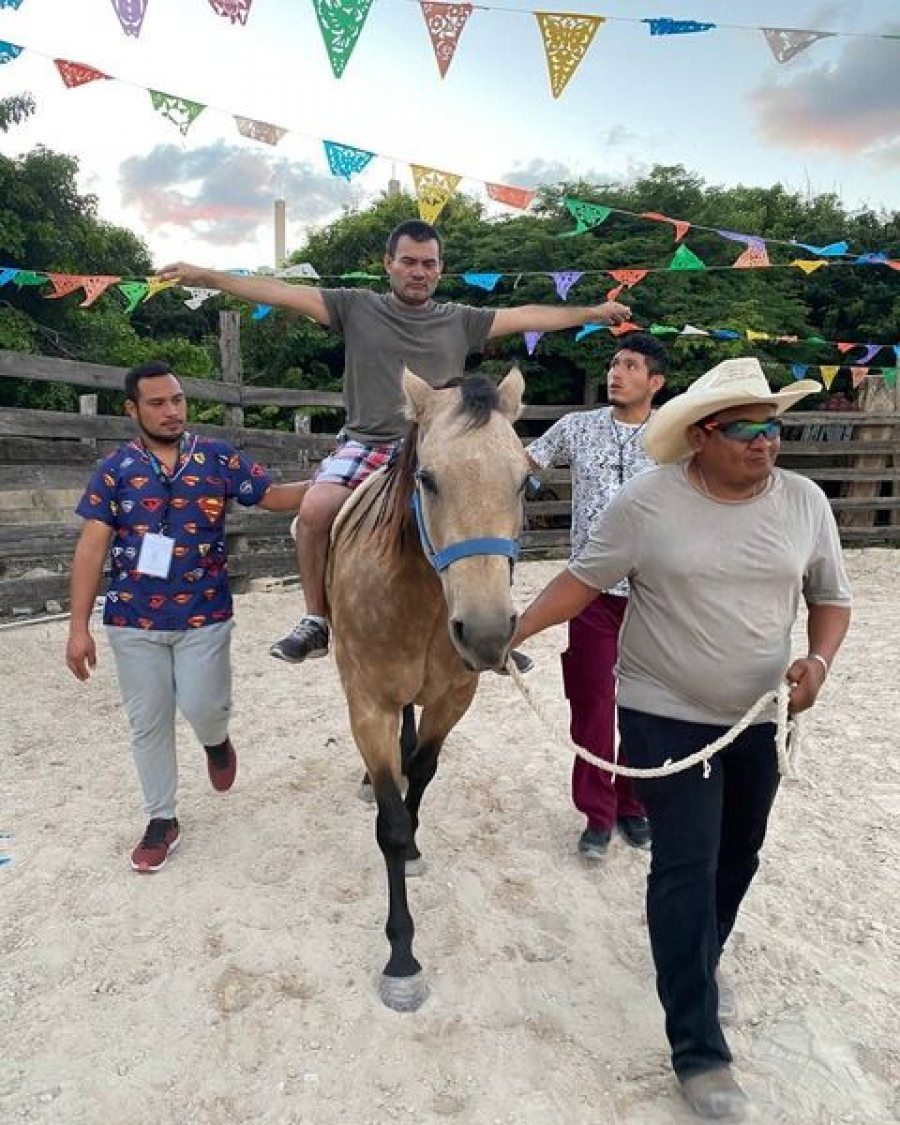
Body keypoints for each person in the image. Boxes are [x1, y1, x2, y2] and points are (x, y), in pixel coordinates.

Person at [511, 357, 851, 1120]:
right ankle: (698, 1047)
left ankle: (697, 958)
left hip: (759, 715)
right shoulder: (647, 502)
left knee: (741, 852)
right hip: (664, 708)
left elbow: (830, 597)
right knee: (686, 863)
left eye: (773, 427)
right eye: (745, 429)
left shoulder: (805, 501)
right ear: (701, 435)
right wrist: (514, 629)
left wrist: (819, 662)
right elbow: (585, 578)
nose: (765, 441)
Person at [158, 219, 631, 665]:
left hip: (441, 446)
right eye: (409, 261)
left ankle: (494, 626)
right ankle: (316, 619)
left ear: (440, 269)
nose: (418, 271)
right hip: (368, 443)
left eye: (428, 263)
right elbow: (280, 292)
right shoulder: (354, 306)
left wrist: (591, 312)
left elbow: (528, 314)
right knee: (315, 511)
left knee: (490, 509)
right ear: (389, 263)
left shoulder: (460, 319)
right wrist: (208, 276)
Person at [65, 360, 311, 873]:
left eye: (176, 400)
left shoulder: (218, 458)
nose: (171, 410)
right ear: (131, 409)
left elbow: (270, 497)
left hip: (205, 615)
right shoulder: (114, 470)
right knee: (147, 722)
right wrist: (77, 628)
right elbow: (91, 550)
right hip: (132, 620)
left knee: (204, 707)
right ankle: (161, 818)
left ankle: (216, 743)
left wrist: (337, 481)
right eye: (156, 403)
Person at [526, 332, 668, 860]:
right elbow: (524, 463)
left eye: (630, 365)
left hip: (658, 595)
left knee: (645, 707)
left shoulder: (676, 438)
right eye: (613, 362)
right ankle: (597, 814)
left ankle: (633, 804)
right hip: (588, 591)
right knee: (592, 703)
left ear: (655, 382)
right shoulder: (576, 428)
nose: (616, 372)